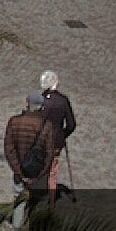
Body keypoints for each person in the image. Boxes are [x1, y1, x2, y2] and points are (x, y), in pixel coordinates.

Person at [4, 91, 57, 228]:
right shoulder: (47, 126)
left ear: (27, 104)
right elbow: (49, 154)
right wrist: (39, 175)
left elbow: (9, 150)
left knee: (19, 202)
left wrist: (19, 172)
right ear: (41, 107)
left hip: (19, 173)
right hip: (37, 175)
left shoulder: (14, 122)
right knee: (37, 203)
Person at [38, 70, 76, 199]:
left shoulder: (40, 100)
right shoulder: (63, 101)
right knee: (53, 169)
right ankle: (51, 197)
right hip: (56, 140)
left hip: (41, 140)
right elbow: (71, 124)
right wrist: (63, 134)